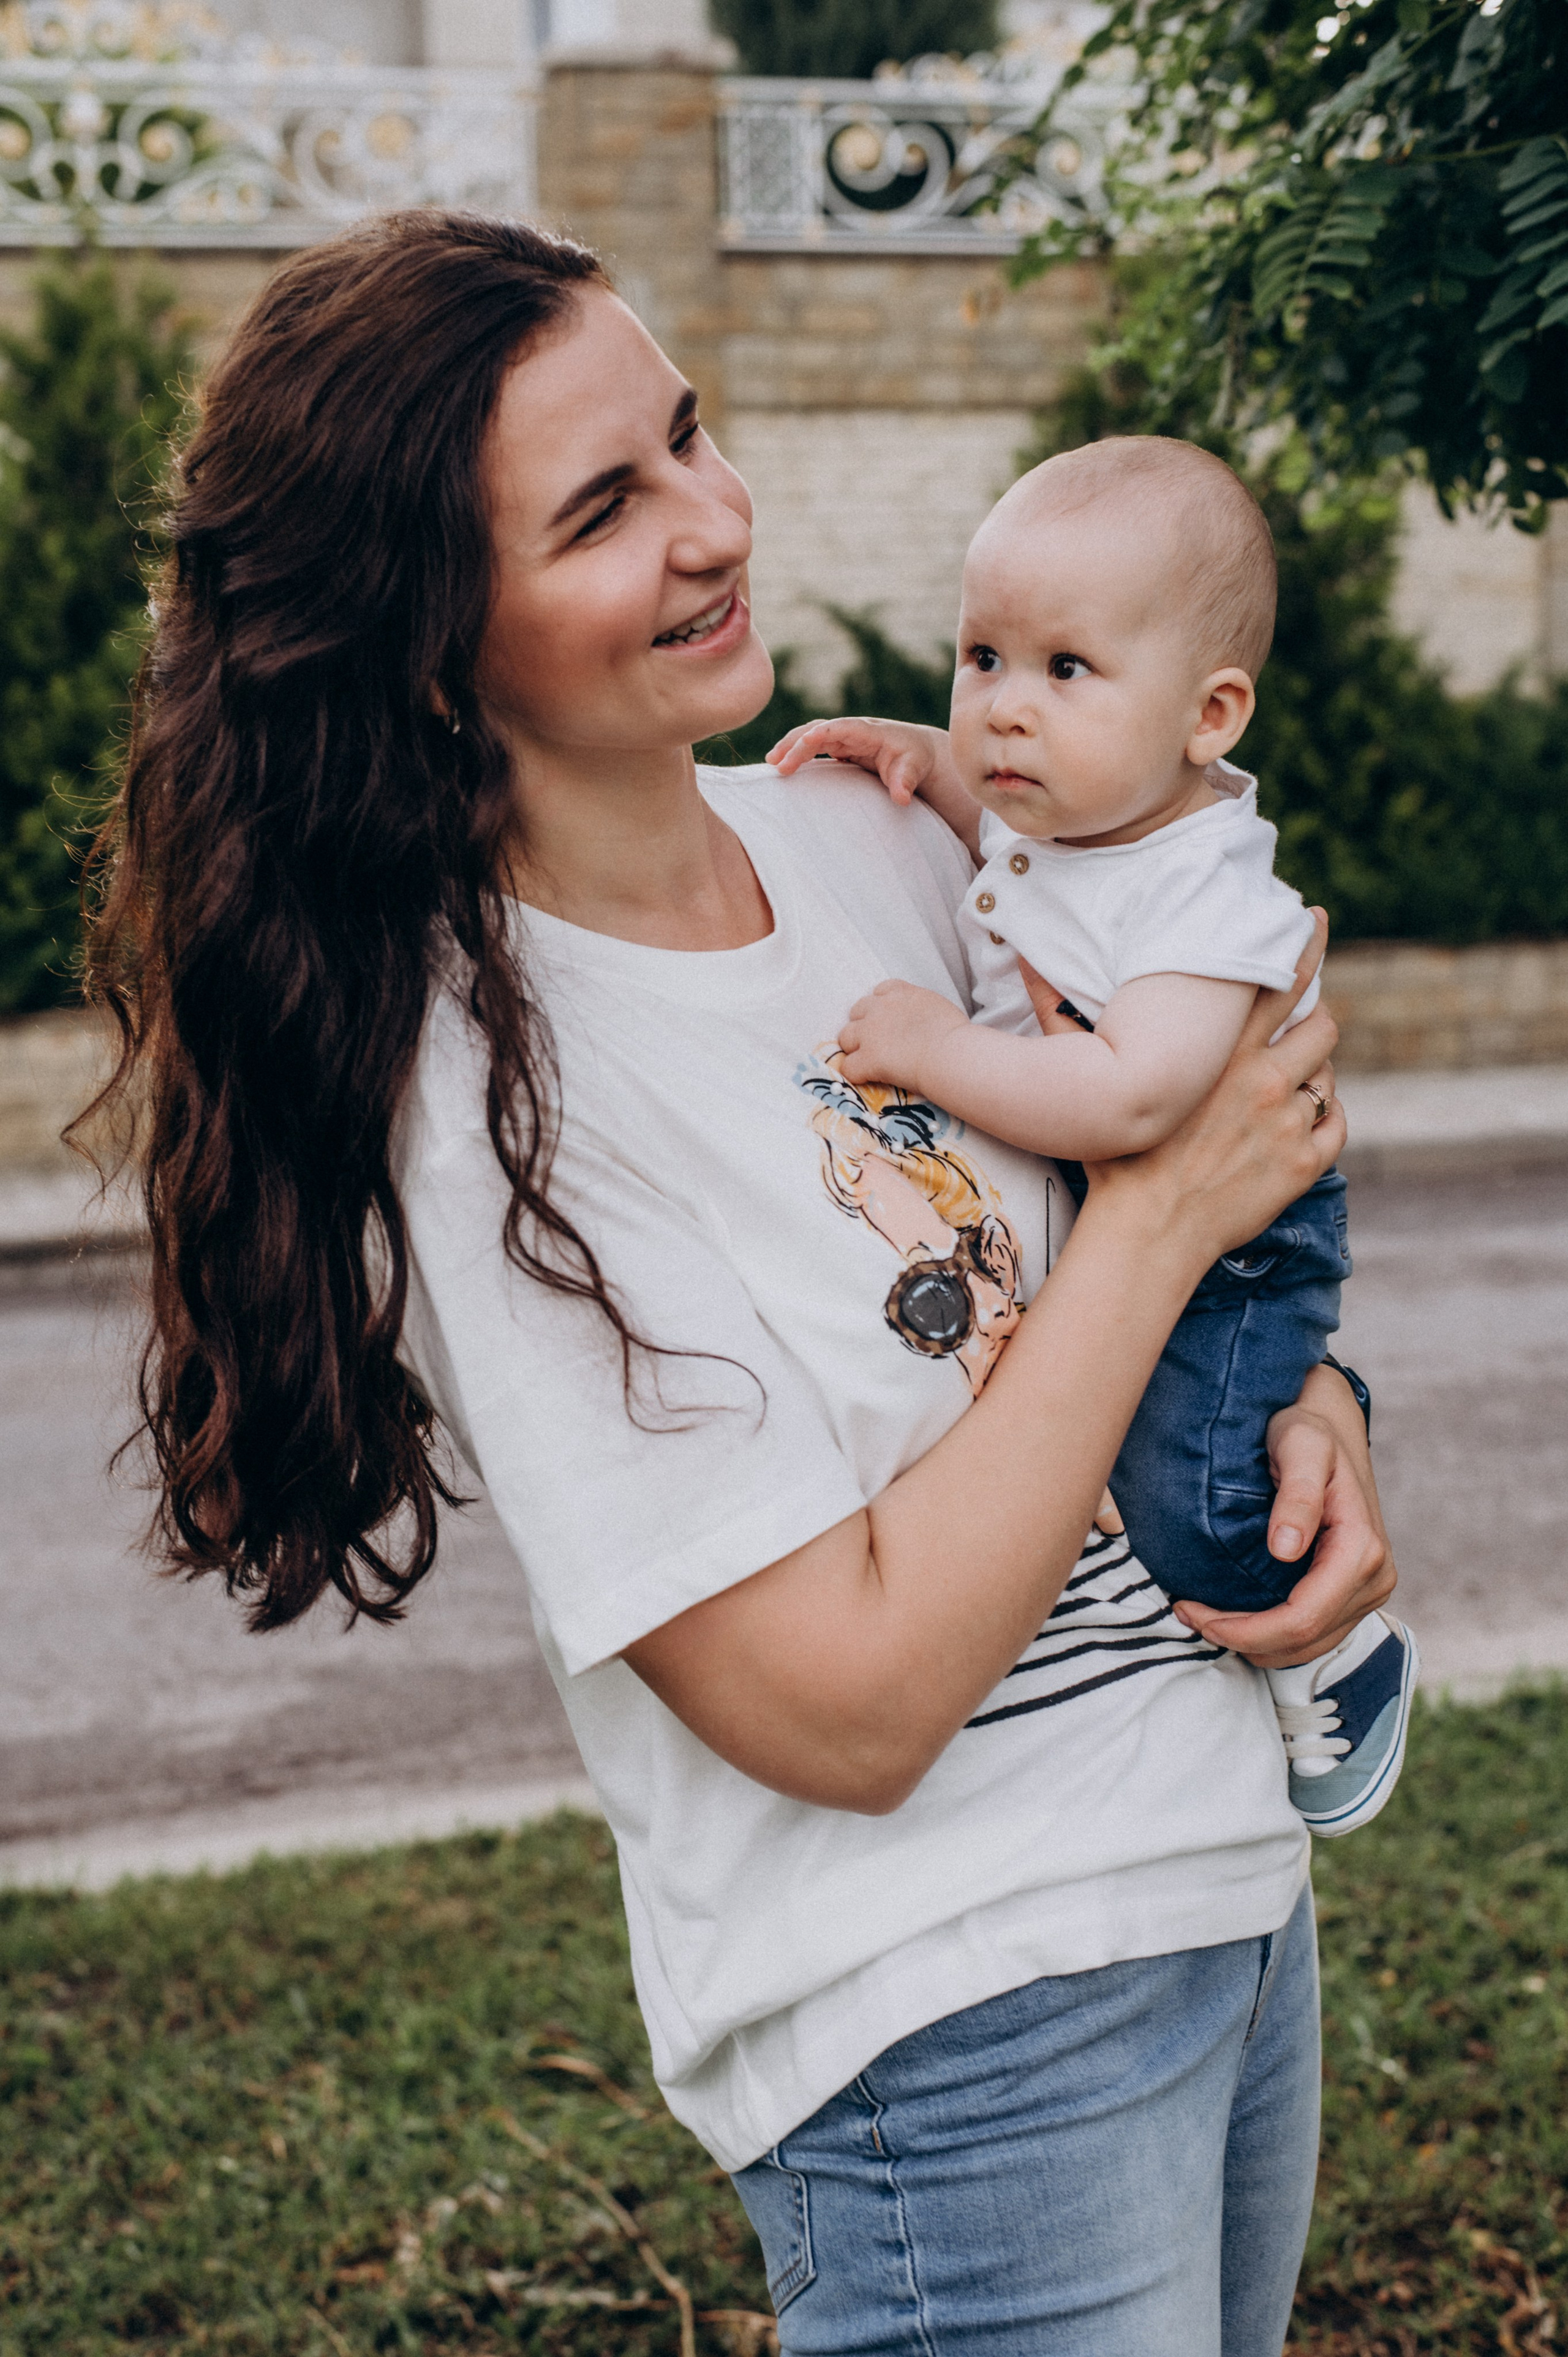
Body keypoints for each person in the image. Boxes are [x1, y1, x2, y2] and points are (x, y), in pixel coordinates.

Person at [82, 211, 1397, 2355]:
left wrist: (1305, 1405)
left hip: (1222, 1889)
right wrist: (1165, 1217)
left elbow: (1117, 1251)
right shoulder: (494, 1095)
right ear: (432, 643)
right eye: (607, 507)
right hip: (958, 2028)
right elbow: (847, 1701)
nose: (714, 520)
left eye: (685, 433)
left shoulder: (878, 833)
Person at [767, 437, 1417, 1840]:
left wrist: (936, 1051)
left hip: (1234, 1257)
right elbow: (996, 824)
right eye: (980, 657)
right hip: (1145, 1224)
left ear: (1209, 716)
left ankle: (1329, 1654)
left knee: (1184, 1499)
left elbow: (1133, 1100)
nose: (1002, 712)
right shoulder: (1075, 818)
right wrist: (913, 760)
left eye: (1063, 671)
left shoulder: (1199, 891)